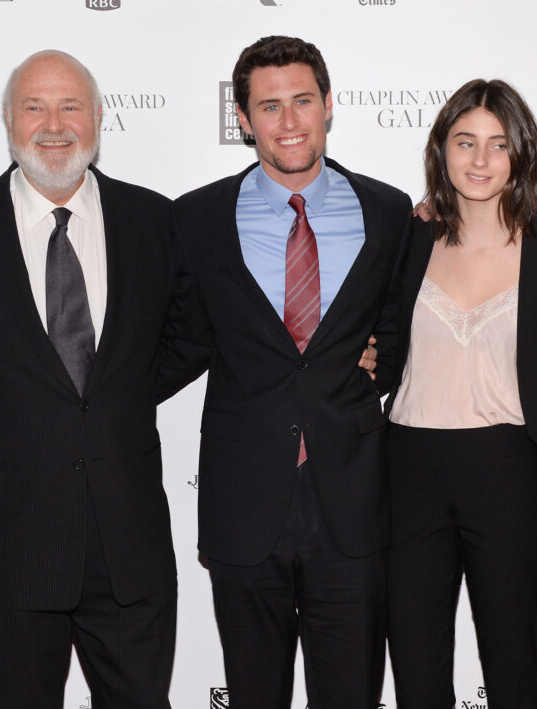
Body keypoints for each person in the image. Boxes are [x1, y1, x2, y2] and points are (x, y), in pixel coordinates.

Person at [0, 50, 203, 708]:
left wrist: (115, 393)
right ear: (7, 120)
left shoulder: (155, 222)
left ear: (99, 118)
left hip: (131, 550)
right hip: (12, 549)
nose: (53, 123)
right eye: (34, 106)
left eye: (71, 105)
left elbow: (194, 333)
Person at [171, 35, 411, 709]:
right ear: (243, 119)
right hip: (244, 506)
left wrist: (377, 362)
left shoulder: (389, 213)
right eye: (269, 106)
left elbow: (398, 327)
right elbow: (176, 339)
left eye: (302, 101)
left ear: (329, 105)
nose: (289, 122)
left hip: (354, 504)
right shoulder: (196, 219)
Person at [382, 79, 537, 709]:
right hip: (407, 469)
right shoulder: (404, 240)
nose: (479, 160)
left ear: (521, 153)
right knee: (416, 672)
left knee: (514, 669)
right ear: (440, 150)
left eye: (498, 145)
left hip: (506, 469)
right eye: (464, 141)